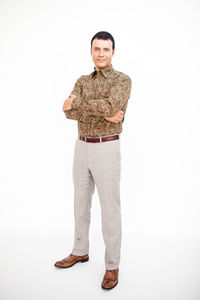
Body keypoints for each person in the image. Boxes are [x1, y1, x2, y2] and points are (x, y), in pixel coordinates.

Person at [54, 31, 132, 290]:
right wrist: (103, 111)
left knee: (110, 208)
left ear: (113, 52)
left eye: (106, 49)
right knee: (80, 202)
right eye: (97, 49)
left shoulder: (122, 80)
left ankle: (112, 265)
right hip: (81, 146)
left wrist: (83, 107)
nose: (101, 53)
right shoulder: (82, 80)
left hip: (106, 147)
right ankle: (80, 250)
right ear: (91, 51)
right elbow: (67, 112)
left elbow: (110, 107)